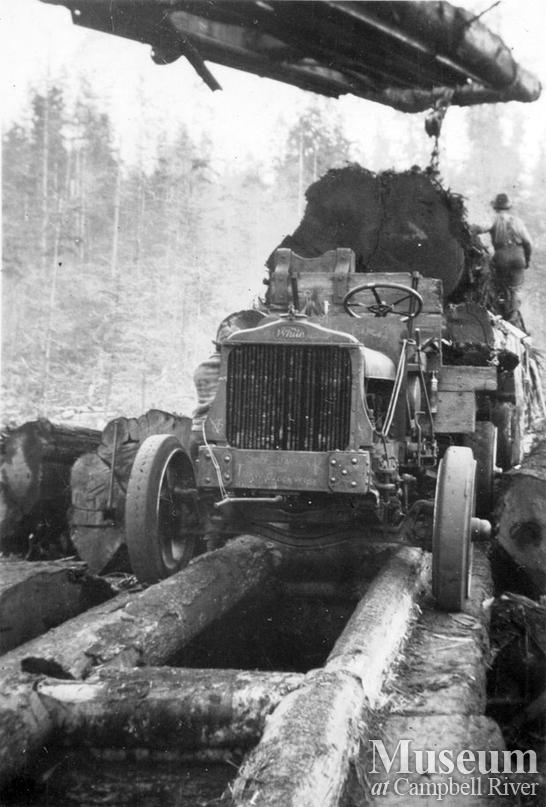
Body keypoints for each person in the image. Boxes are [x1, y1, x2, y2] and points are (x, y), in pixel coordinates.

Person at [473, 193, 532, 327]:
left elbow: (481, 228)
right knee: (515, 289)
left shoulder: (495, 219)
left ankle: (500, 314)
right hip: (518, 256)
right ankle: (512, 318)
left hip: (502, 256)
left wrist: (470, 230)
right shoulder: (518, 221)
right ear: (508, 207)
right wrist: (526, 260)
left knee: (498, 286)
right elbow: (528, 243)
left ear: (496, 207)